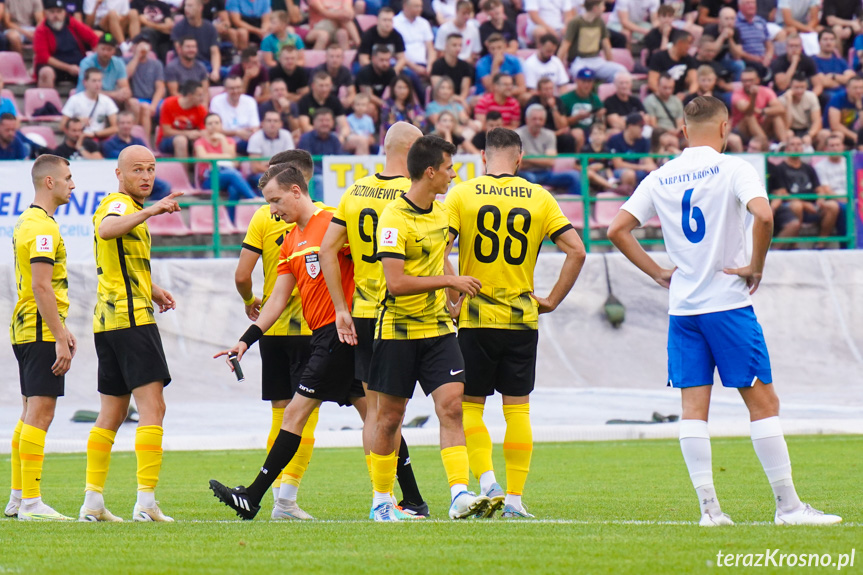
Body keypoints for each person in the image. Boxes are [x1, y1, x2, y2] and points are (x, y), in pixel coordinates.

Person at [608, 96, 842, 527]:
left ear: (682, 129)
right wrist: (757, 264)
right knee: (764, 403)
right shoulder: (735, 167)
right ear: (724, 128)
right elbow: (765, 216)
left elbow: (616, 229)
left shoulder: (660, 176)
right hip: (728, 304)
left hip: (684, 310)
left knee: (694, 409)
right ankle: (788, 507)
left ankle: (710, 511)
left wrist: (658, 272)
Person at [208, 164, 369, 521]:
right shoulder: (289, 241)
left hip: (340, 333)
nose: (272, 209)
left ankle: (254, 496)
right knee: (375, 414)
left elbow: (367, 266)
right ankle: (411, 497)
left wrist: (356, 313)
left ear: (297, 191)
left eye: (276, 200)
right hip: (325, 336)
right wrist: (244, 341)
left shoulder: (332, 222)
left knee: (296, 413)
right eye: (268, 202)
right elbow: (276, 301)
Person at [445, 127, 584, 519]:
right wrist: (552, 299)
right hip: (522, 317)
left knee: (470, 408)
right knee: (518, 410)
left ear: (485, 158)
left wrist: (452, 294)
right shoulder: (540, 197)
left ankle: (486, 480)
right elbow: (577, 250)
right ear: (520, 159)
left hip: (475, 316)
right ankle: (515, 500)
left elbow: (436, 248)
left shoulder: (463, 193)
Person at [365, 135, 491, 521]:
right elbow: (397, 283)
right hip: (397, 329)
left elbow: (440, 259)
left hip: (437, 329)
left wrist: (453, 295)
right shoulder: (393, 219)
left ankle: (459, 495)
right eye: (449, 168)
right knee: (389, 418)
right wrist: (449, 283)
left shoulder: (440, 214)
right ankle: (382, 502)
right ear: (431, 171)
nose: (454, 175)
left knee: (452, 407)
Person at [318, 122, 431, 517]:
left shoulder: (354, 190)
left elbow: (326, 249)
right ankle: (385, 500)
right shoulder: (412, 194)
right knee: (391, 413)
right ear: (415, 149)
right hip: (400, 314)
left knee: (375, 411)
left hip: (362, 312)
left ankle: (382, 498)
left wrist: (340, 307)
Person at [80, 145, 183, 523]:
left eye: (151, 169)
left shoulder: (122, 206)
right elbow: (108, 230)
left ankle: (92, 502)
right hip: (131, 321)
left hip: (107, 322)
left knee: (112, 412)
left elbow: (117, 258)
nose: (146, 176)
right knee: (153, 409)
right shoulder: (120, 205)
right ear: (119, 174)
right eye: (138, 169)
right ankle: (145, 501)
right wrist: (153, 209)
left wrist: (152, 289)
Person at [233, 151, 322, 520]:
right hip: (314, 327)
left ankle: (274, 498)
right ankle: (286, 497)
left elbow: (241, 275)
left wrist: (249, 300)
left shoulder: (260, 218)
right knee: (306, 417)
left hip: (272, 327)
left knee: (281, 415)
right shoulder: (325, 217)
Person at [6, 155, 77, 522]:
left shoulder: (27, 222)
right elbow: (41, 286)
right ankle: (32, 503)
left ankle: (18, 498)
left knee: (29, 412)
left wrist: (61, 329)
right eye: (67, 177)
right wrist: (59, 336)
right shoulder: (44, 228)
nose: (72, 184)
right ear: (49, 182)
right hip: (38, 329)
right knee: (41, 412)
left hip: (25, 327)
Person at [772, 135, 841, 245]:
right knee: (796, 205)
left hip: (812, 206)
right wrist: (804, 204)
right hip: (791, 206)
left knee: (833, 206)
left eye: (799, 144)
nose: (796, 147)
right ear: (787, 149)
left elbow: (819, 189)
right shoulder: (780, 168)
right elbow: (782, 194)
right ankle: (794, 244)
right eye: (792, 144)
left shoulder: (808, 168)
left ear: (803, 148)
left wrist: (821, 199)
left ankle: (821, 243)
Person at [194, 113, 259, 221]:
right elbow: (203, 156)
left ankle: (230, 221)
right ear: (205, 126)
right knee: (233, 174)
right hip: (208, 179)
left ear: (221, 125)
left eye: (216, 123)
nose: (213, 125)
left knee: (234, 189)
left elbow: (232, 159)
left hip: (227, 177)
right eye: (210, 123)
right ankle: (252, 199)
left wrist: (222, 139)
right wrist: (224, 156)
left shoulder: (229, 141)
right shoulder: (200, 142)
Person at [517, 104, 582, 195]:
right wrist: (542, 159)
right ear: (527, 120)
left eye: (541, 119)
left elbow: (551, 161)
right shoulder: (517, 135)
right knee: (530, 180)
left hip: (546, 173)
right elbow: (519, 163)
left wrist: (527, 157)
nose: (538, 122)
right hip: (526, 173)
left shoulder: (549, 135)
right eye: (534, 119)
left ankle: (578, 207)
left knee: (574, 176)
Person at [34, 0, 99, 89]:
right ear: (46, 13)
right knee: (46, 72)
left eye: (59, 12)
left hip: (77, 65)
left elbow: (93, 38)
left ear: (65, 13)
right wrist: (68, 68)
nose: (55, 15)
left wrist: (95, 58)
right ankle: (47, 101)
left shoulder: (72, 22)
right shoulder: (41, 29)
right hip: (54, 66)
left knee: (94, 71)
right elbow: (44, 57)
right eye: (52, 12)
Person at [559, 0, 626, 83]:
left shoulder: (600, 22)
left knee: (621, 71)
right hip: (579, 61)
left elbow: (606, 45)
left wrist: (610, 63)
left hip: (596, 60)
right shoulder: (576, 22)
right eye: (602, 6)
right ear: (595, 8)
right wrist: (560, 68)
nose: (604, 9)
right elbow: (565, 46)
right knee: (580, 74)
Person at [730, 67, 787, 145]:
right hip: (742, 130)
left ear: (757, 80)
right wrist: (753, 97)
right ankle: (765, 144)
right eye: (744, 81)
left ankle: (784, 145)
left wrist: (762, 111)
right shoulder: (737, 94)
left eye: (750, 80)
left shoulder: (766, 91)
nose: (747, 83)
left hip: (760, 126)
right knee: (749, 117)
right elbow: (748, 112)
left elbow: (780, 109)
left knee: (775, 115)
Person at [61, 68, 119, 141]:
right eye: (94, 81)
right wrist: (78, 120)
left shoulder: (106, 101)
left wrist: (95, 134)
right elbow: (62, 125)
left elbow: (115, 128)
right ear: (85, 82)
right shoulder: (74, 100)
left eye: (99, 80)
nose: (97, 84)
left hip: (98, 139)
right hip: (78, 138)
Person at [170, 0, 220, 85]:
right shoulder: (178, 28)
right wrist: (199, 71)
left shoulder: (210, 28)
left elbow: (215, 52)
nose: (186, 9)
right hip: (186, 65)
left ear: (200, 8)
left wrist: (215, 71)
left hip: (206, 64)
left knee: (227, 72)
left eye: (190, 6)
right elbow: (180, 51)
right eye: (185, 6)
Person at [77, 33, 133, 109]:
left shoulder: (118, 63)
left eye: (109, 49)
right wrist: (115, 94)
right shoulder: (87, 63)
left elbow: (125, 86)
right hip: (88, 99)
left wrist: (124, 93)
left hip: (110, 99)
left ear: (114, 51)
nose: (105, 53)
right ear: (96, 48)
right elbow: (91, 90)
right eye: (103, 49)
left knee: (133, 103)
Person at [209, 74, 261, 155]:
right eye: (232, 88)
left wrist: (251, 132)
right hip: (223, 141)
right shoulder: (216, 101)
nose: (236, 91)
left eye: (238, 87)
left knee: (257, 141)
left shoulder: (250, 101)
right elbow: (215, 129)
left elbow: (255, 127)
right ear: (225, 89)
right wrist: (237, 132)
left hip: (245, 141)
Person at [157, 80, 207, 159]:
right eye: (199, 95)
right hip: (167, 140)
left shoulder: (201, 109)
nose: (202, 99)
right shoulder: (169, 104)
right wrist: (187, 133)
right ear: (190, 95)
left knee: (201, 140)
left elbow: (204, 130)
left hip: (190, 140)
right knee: (181, 140)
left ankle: (201, 170)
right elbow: (166, 131)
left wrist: (199, 134)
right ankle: (182, 171)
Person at [247, 110, 295, 188]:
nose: (272, 123)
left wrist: (268, 165)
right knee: (268, 180)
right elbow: (255, 168)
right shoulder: (255, 138)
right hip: (261, 175)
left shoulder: (286, 135)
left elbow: (290, 162)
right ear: (262, 123)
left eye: (275, 121)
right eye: (269, 120)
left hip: (283, 174)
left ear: (281, 124)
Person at [608, 112, 656, 188]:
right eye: (640, 126)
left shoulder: (644, 141)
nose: (642, 129)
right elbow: (618, 164)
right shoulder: (615, 139)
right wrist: (643, 167)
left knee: (652, 174)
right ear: (630, 126)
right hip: (618, 172)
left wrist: (650, 167)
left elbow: (649, 162)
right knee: (629, 174)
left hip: (637, 170)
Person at [561, 68, 604, 151]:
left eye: (589, 82)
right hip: (572, 130)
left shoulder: (595, 99)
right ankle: (579, 162)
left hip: (591, 130)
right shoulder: (565, 99)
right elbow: (562, 123)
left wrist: (600, 117)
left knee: (603, 134)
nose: (587, 85)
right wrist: (578, 117)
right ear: (577, 81)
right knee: (578, 133)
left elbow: (602, 123)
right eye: (584, 81)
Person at [779, 73, 825, 148]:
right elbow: (786, 126)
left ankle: (817, 158)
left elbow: (817, 121)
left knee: (824, 134)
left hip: (807, 129)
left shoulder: (811, 96)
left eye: (802, 87)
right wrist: (789, 102)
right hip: (792, 130)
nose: (799, 91)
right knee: (788, 134)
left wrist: (809, 135)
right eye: (796, 87)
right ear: (790, 87)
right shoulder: (782, 100)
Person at [647, 30, 698, 97]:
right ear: (680, 43)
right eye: (688, 43)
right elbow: (652, 82)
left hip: (680, 98)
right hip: (660, 97)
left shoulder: (689, 59)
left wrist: (687, 95)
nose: (689, 47)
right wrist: (668, 98)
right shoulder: (658, 57)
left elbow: (694, 82)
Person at [394, 0, 435, 80]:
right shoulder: (395, 23)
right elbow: (396, 53)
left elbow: (430, 49)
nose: (420, 9)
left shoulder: (424, 23)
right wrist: (415, 68)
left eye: (420, 6)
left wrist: (430, 65)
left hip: (424, 66)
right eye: (416, 6)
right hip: (405, 66)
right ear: (405, 6)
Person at [770, 32, 821, 96]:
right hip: (786, 94)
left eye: (797, 46)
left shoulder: (808, 60)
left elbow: (818, 85)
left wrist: (811, 97)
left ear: (801, 48)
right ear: (786, 47)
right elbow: (782, 86)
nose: (794, 49)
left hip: (804, 93)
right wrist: (794, 63)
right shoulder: (778, 62)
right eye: (791, 46)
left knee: (824, 97)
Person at [357, 6, 407, 72]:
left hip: (388, 66)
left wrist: (394, 71)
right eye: (385, 20)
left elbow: (402, 59)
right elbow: (363, 60)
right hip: (370, 66)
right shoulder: (368, 35)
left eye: (390, 20)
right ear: (377, 21)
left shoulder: (397, 36)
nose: (387, 23)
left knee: (410, 74)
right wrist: (378, 71)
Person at [430, 33, 475, 107]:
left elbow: (465, 89)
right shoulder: (437, 65)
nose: (458, 48)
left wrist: (461, 99)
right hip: (442, 99)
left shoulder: (465, 66)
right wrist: (458, 99)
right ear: (446, 46)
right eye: (454, 45)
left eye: (460, 45)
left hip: (460, 100)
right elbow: (437, 87)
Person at [475, 33, 524, 97]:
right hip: (485, 95)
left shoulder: (514, 61)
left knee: (525, 97)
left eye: (499, 48)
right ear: (488, 49)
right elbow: (490, 89)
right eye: (493, 48)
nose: (496, 51)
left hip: (509, 93)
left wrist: (505, 92)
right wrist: (495, 65)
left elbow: (522, 88)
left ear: (505, 47)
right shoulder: (481, 63)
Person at [813, 29, 856, 104]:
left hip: (845, 93)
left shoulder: (840, 61)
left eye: (832, 39)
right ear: (819, 42)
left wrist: (833, 76)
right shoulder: (813, 61)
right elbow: (823, 82)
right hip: (826, 94)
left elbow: (851, 79)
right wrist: (842, 80)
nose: (828, 42)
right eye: (825, 39)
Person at [735, 0, 773, 81]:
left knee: (777, 65)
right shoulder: (735, 23)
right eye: (748, 3)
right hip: (747, 60)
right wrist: (755, 58)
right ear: (740, 6)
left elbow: (769, 45)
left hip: (763, 59)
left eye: (753, 3)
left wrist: (768, 57)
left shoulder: (761, 21)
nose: (751, 6)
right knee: (759, 68)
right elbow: (736, 50)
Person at [356, 44, 397, 114]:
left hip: (384, 101)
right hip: (365, 102)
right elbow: (368, 96)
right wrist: (386, 105)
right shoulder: (365, 72)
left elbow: (395, 90)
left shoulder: (391, 72)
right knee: (371, 108)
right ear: (373, 58)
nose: (385, 63)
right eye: (381, 60)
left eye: (387, 60)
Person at [312, 44, 356, 110]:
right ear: (326, 57)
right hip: (319, 102)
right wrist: (337, 102)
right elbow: (314, 92)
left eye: (338, 56)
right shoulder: (318, 71)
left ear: (342, 58)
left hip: (335, 102)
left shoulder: (345, 71)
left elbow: (352, 92)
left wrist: (348, 100)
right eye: (331, 56)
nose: (334, 60)